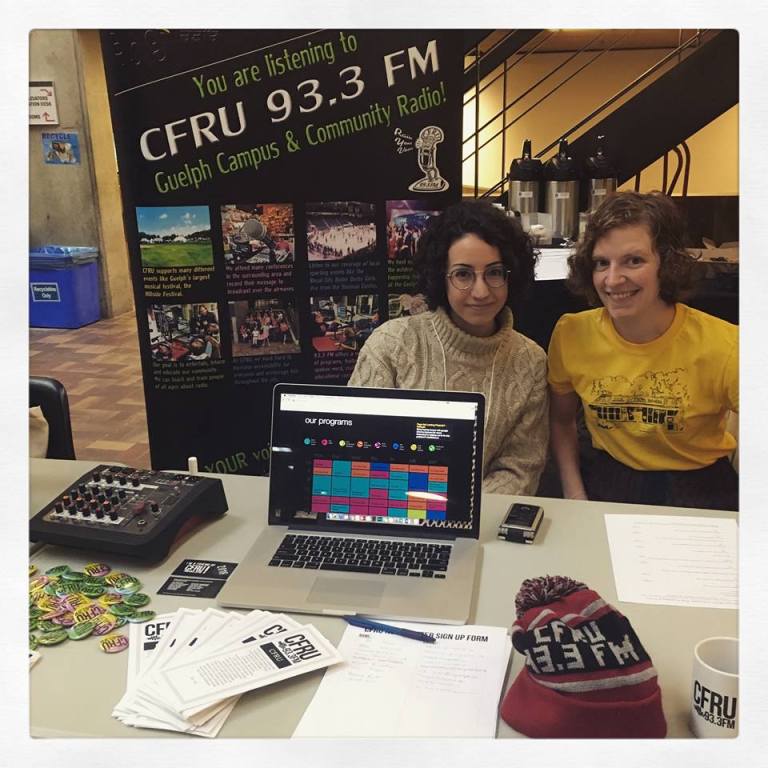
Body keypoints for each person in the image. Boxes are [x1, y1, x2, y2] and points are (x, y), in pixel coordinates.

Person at [548, 191, 738, 510]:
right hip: (610, 476)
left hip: (699, 482)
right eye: (601, 263)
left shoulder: (726, 344)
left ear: (666, 262)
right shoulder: (571, 333)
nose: (613, 279)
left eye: (634, 260)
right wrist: (574, 495)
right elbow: (562, 422)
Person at [349, 199, 548, 495]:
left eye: (494, 273)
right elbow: (356, 447)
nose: (481, 291)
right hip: (389, 511)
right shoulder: (391, 344)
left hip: (482, 522)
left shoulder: (529, 360)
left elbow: (519, 469)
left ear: (511, 276)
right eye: (463, 274)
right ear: (441, 278)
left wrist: (459, 512)